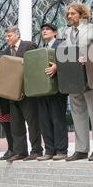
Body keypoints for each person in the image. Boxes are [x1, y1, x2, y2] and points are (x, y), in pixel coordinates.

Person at [57, 2, 93, 161]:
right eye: (68, 14)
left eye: (73, 13)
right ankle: (81, 149)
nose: (69, 16)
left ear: (81, 14)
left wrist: (90, 58)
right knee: (77, 113)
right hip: (73, 77)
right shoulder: (66, 32)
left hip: (90, 75)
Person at [2, 26, 43, 162]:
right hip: (13, 93)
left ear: (17, 35)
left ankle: (36, 150)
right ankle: (20, 152)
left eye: (9, 36)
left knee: (33, 122)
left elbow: (38, 63)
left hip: (28, 91)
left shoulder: (29, 45)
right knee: (16, 124)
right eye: (5, 36)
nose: (6, 39)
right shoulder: (6, 51)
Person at [36, 23, 69, 161]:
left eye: (47, 29)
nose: (44, 32)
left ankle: (61, 150)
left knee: (58, 120)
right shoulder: (40, 49)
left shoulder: (62, 45)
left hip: (57, 89)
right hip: (43, 90)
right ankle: (49, 150)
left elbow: (69, 62)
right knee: (44, 121)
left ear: (55, 32)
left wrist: (57, 67)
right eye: (42, 30)